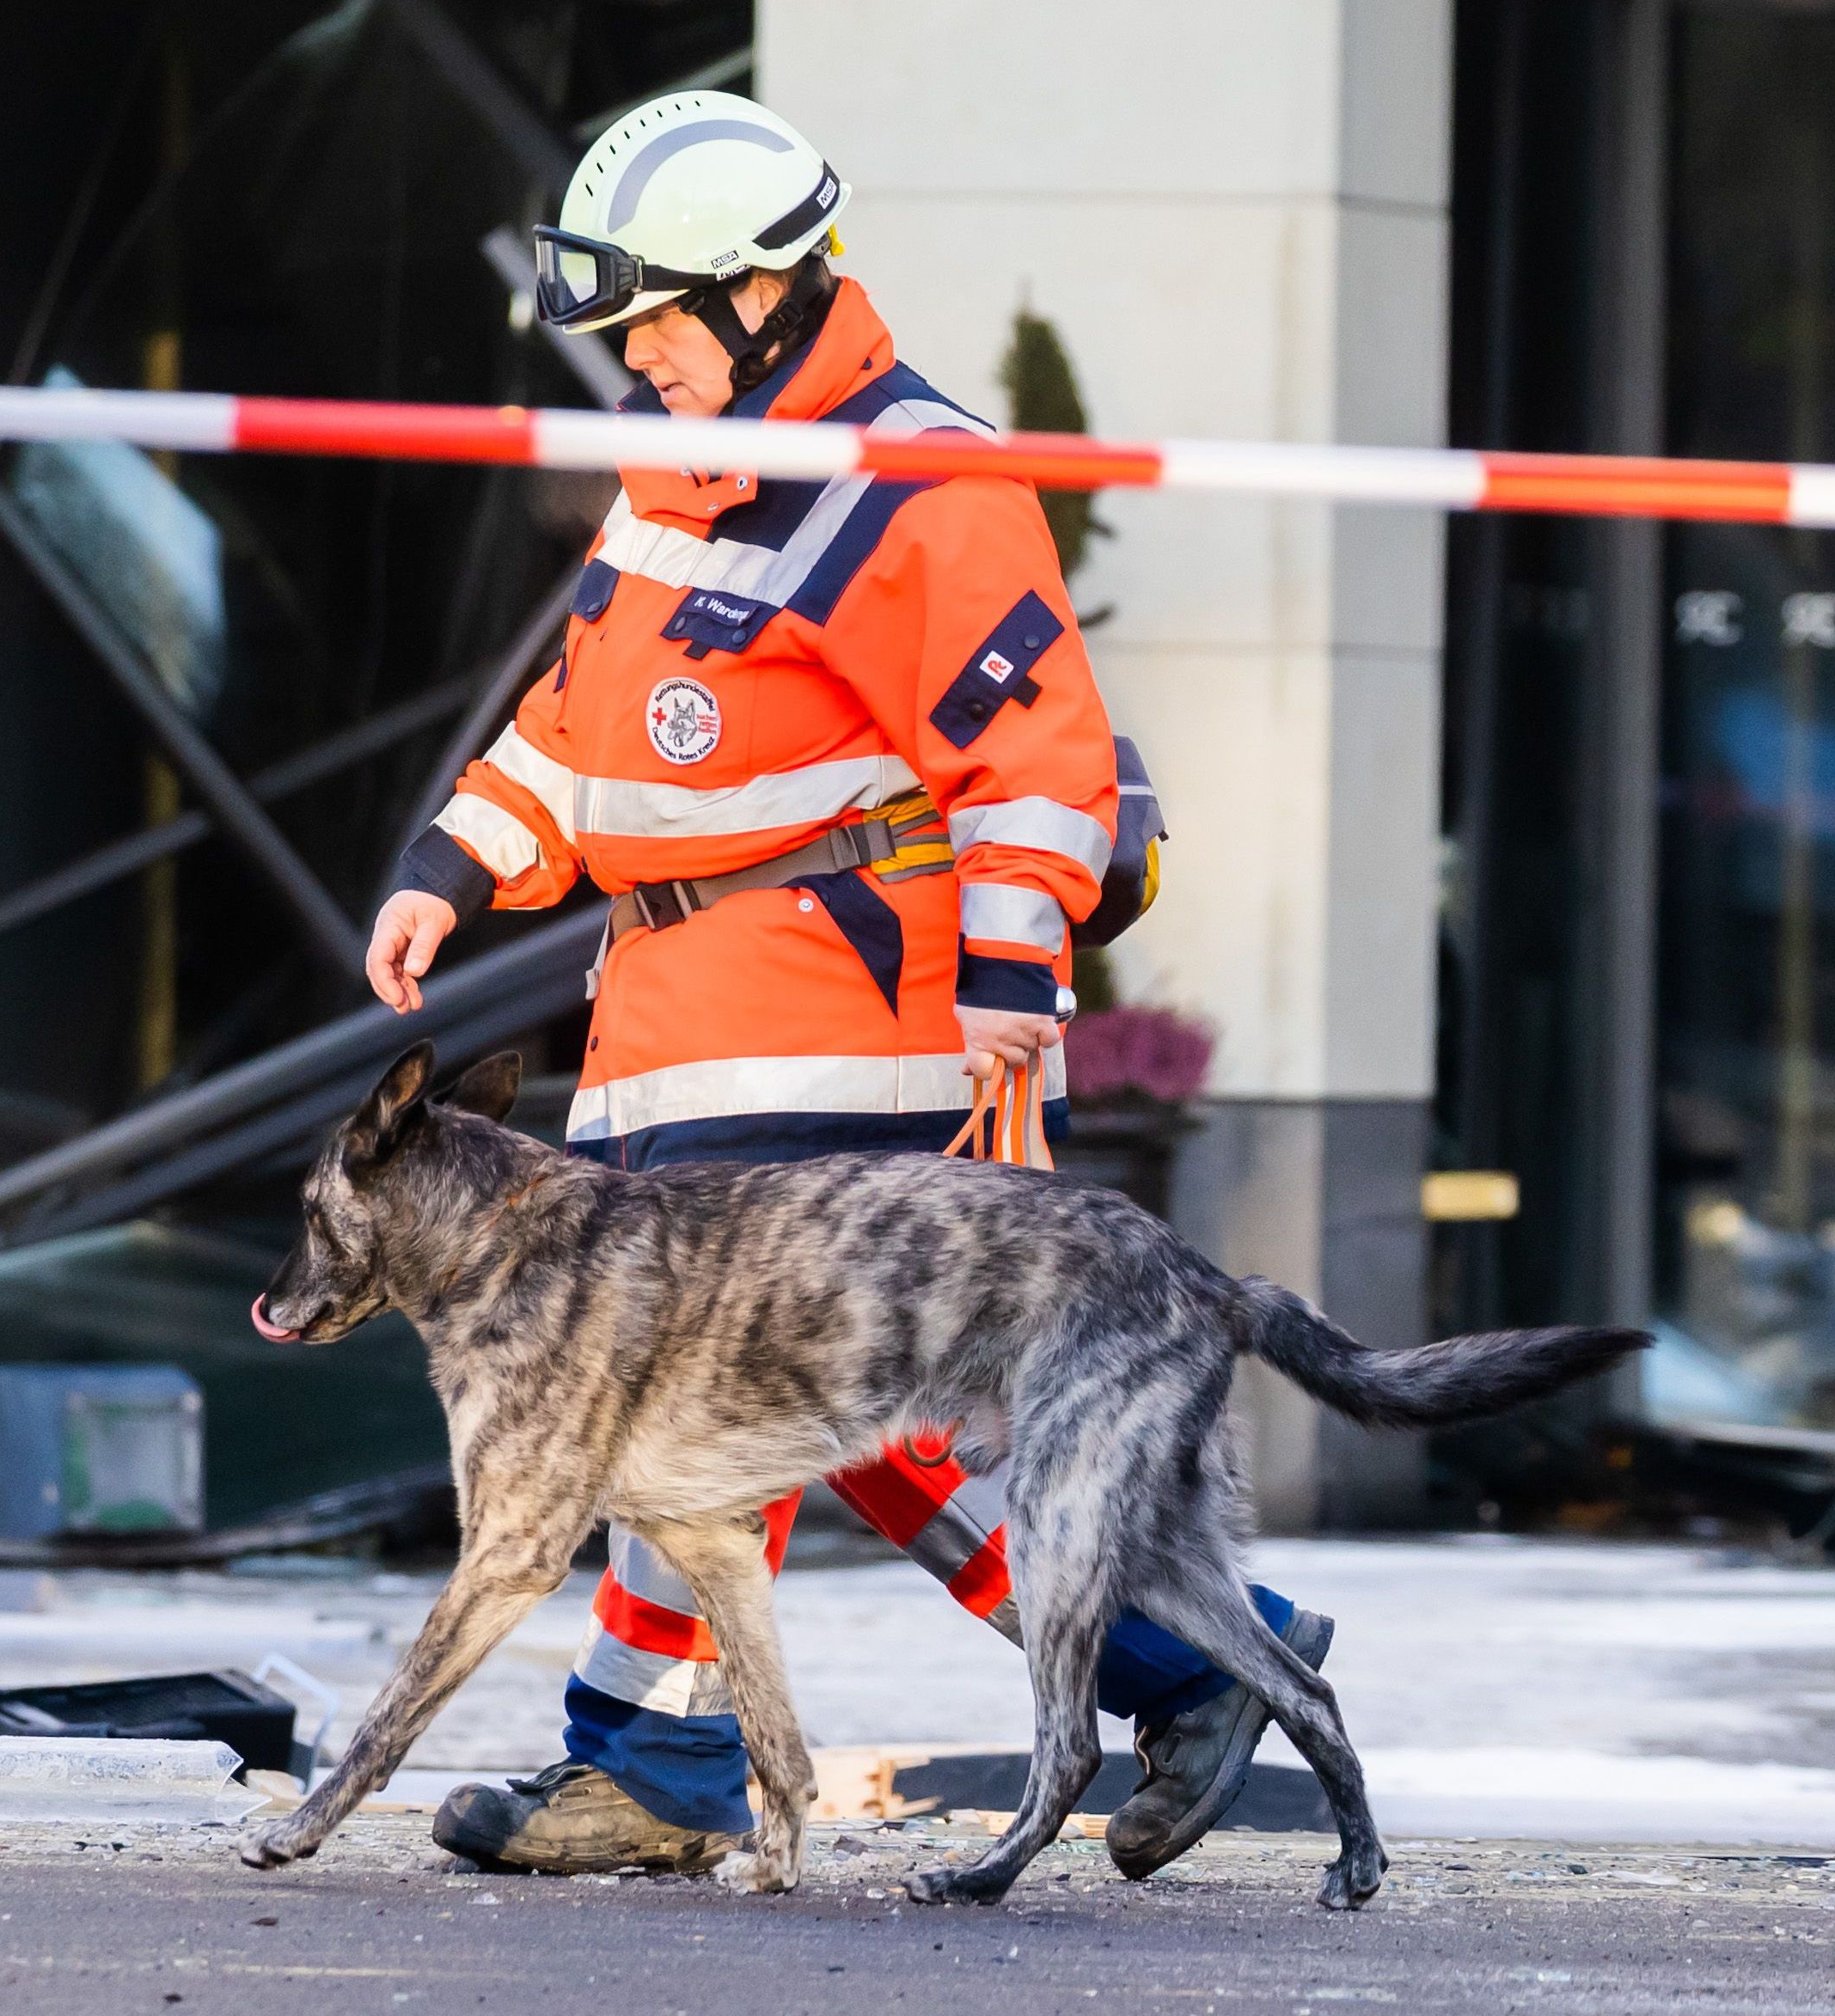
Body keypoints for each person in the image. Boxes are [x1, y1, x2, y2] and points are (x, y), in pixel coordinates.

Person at [367, 91, 1333, 1881]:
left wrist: (1010, 978)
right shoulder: (691, 470)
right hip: (680, 1017)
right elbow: (580, 734)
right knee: (782, 1420)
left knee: (739, 1402)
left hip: (840, 1019)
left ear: (766, 290)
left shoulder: (918, 478)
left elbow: (1034, 758)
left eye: (658, 317)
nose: (636, 355)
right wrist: (455, 863)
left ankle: (657, 1760)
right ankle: (1174, 1658)